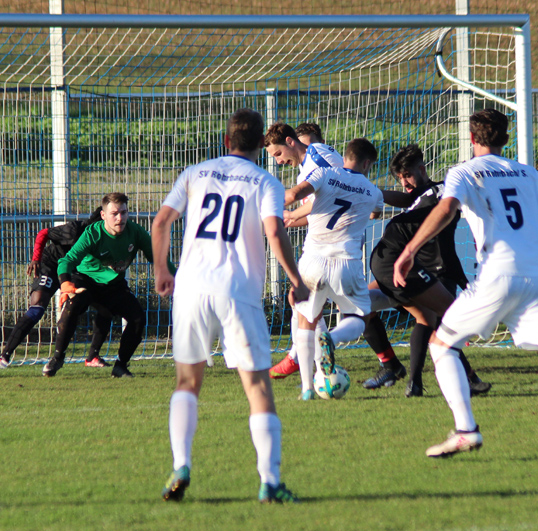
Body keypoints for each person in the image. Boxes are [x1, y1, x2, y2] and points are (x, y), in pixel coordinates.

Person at [393, 109, 538, 461]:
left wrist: (409, 251)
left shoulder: (465, 171)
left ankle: (466, 431)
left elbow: (446, 209)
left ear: (472, 139)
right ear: (506, 139)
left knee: (442, 345)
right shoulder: (528, 172)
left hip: (498, 273)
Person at [152, 108, 309, 504]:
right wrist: (296, 281)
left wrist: (161, 271)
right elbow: (274, 231)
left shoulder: (195, 173)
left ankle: (181, 464)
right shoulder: (265, 180)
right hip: (237, 290)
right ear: (261, 143)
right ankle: (269, 482)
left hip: (190, 289)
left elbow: (160, 223)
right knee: (257, 387)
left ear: (225, 141)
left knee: (187, 383)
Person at [361, 144, 490, 398]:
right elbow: (406, 198)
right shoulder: (418, 196)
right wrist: (374, 195)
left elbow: (438, 202)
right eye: (399, 178)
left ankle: (419, 381)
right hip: (407, 268)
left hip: (438, 271)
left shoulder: (442, 191)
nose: (404, 182)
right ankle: (391, 366)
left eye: (407, 175)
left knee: (432, 321)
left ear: (421, 169)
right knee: (363, 304)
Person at [284, 137, 383, 400]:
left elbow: (294, 195)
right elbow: (376, 213)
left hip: (313, 260)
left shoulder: (325, 173)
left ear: (345, 156)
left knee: (306, 321)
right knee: (359, 318)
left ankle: (307, 389)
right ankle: (334, 339)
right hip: (347, 263)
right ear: (366, 163)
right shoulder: (373, 190)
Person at [42, 193, 173, 378]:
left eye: (124, 212)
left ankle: (120, 366)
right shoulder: (92, 233)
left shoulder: (135, 232)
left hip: (113, 284)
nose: (120, 218)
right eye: (114, 213)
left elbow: (159, 258)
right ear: (103, 215)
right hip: (85, 279)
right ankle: (57, 358)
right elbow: (67, 260)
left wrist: (179, 278)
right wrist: (65, 283)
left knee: (137, 318)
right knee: (74, 304)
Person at [264, 122, 343, 380]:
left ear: (290, 142)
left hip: (334, 241)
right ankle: (314, 359)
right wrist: (288, 218)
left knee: (307, 300)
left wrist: (280, 208)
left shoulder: (319, 155)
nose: (278, 162)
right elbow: (316, 209)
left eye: (277, 154)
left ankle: (301, 357)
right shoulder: (304, 170)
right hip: (322, 240)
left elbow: (334, 196)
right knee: (301, 300)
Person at [1, 207, 113, 369]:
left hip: (74, 271)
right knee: (37, 306)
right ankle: (4, 355)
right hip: (52, 264)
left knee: (105, 305)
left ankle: (92, 357)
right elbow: (43, 233)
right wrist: (36, 259)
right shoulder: (75, 231)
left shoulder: (107, 239)